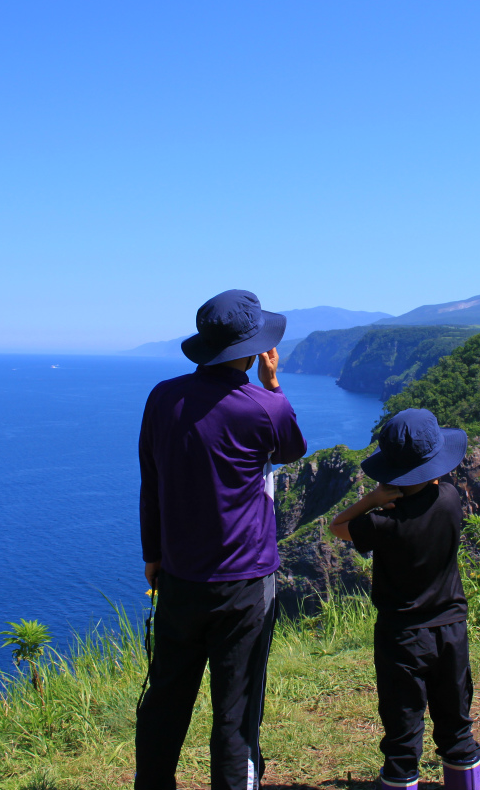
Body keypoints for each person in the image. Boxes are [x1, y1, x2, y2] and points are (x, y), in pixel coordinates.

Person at [135, 289, 308, 790]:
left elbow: (151, 478)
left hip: (179, 574)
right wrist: (273, 386)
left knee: (166, 696)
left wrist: (153, 554)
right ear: (253, 350)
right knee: (235, 712)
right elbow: (293, 447)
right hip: (246, 581)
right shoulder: (261, 408)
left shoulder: (162, 397)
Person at [328, 408, 480, 790]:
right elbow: (435, 488)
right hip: (451, 629)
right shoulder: (449, 499)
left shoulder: (381, 523)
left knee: (402, 734)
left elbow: (337, 528)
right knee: (457, 728)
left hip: (402, 637)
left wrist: (372, 499)